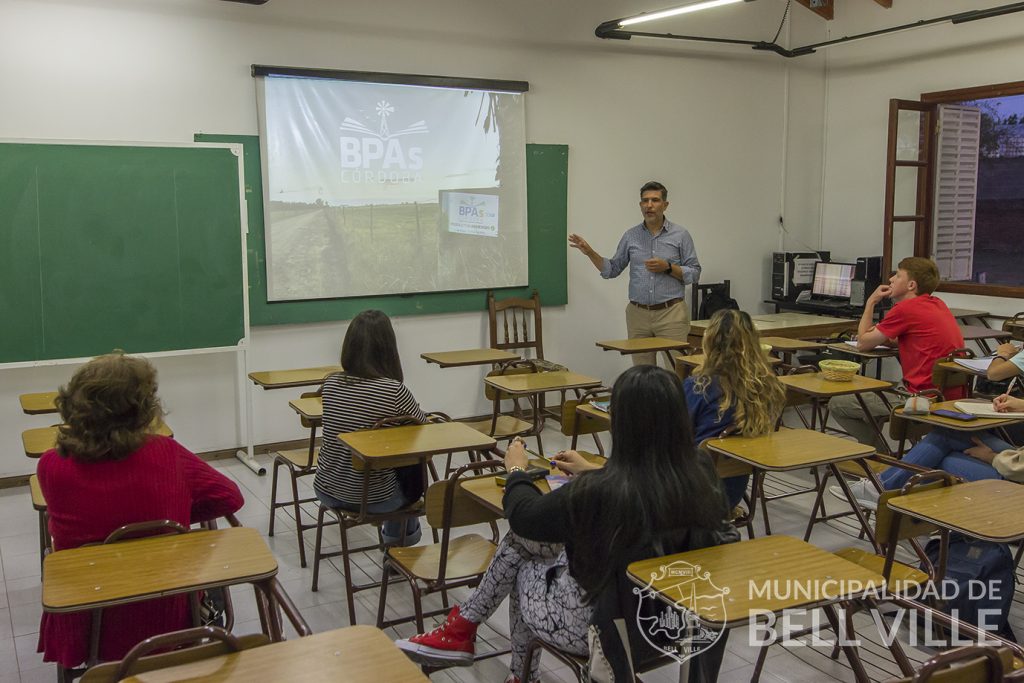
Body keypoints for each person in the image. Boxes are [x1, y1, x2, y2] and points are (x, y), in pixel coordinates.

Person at [395, 365, 733, 683]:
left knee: (520, 551)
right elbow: (648, 483)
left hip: (604, 633)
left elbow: (524, 516)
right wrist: (594, 469)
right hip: (676, 628)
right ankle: (472, 637)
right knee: (529, 550)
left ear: (620, 423)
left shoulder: (599, 493)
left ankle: (483, 644)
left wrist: (516, 470)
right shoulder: (701, 472)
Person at [36, 353, 244, 668]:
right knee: (204, 559)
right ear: (142, 408)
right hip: (166, 617)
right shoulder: (168, 454)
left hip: (87, 620)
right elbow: (229, 498)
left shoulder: (51, 466)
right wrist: (176, 517)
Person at [313, 309, 426, 546]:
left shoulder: (330, 384)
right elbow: (424, 429)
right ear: (389, 350)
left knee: (395, 462)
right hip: (373, 499)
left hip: (326, 488)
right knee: (410, 463)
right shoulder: (394, 391)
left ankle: (398, 544)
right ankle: (398, 550)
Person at [829, 257, 964, 451]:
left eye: (898, 275)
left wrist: (871, 301)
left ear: (911, 285)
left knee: (838, 404)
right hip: (946, 396)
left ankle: (878, 457)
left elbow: (862, 343)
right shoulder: (937, 303)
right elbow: (901, 338)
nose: (891, 279)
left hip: (920, 398)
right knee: (871, 398)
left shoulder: (905, 309)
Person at [569, 181, 701, 367]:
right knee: (642, 376)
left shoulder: (680, 235)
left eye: (655, 200)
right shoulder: (631, 236)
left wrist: (668, 267)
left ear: (665, 205)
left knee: (676, 373)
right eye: (645, 201)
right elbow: (612, 269)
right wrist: (590, 252)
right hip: (638, 315)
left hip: (671, 313)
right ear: (640, 205)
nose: (649, 205)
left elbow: (695, 273)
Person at [841, 393, 1024, 509]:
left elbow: (1017, 469)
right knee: (949, 434)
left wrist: (991, 457)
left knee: (940, 461)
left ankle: (887, 496)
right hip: (1017, 458)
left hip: (1016, 481)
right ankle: (887, 493)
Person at [685, 309, 786, 508]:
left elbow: (673, 438)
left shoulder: (699, 388)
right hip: (732, 493)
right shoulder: (767, 388)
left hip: (690, 493)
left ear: (710, 341)